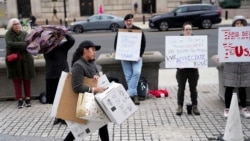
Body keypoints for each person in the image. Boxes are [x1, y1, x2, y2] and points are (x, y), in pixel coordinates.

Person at [64, 40, 109, 141]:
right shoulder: (78, 66)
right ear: (85, 50)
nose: (95, 52)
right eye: (92, 49)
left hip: (93, 101)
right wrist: (95, 89)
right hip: (84, 102)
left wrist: (96, 77)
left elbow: (95, 74)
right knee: (77, 129)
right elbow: (77, 87)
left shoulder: (91, 62)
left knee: (102, 124)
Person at [114, 14, 146, 105]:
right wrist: (120, 54)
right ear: (125, 22)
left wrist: (139, 55)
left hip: (136, 58)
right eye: (127, 21)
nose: (129, 22)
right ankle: (134, 95)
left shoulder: (139, 30)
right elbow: (116, 45)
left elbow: (143, 44)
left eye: (130, 20)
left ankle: (128, 94)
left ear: (133, 21)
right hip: (125, 58)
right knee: (128, 77)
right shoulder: (121, 31)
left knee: (137, 72)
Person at [44, 33, 75, 125]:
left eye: (56, 37)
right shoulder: (45, 47)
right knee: (54, 98)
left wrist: (65, 33)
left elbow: (72, 40)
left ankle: (64, 117)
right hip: (50, 75)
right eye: (52, 37)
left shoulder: (63, 46)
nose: (55, 39)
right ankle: (57, 116)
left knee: (64, 97)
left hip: (62, 75)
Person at [223, 15, 250, 118]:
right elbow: (224, 48)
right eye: (237, 23)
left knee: (243, 87)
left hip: (244, 66)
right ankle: (227, 108)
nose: (239, 25)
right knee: (229, 87)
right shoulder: (228, 36)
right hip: (231, 66)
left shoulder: (248, 36)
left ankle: (244, 108)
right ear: (234, 25)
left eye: (241, 23)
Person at [5, 18, 36, 108]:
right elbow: (10, 44)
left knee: (27, 80)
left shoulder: (25, 33)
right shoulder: (8, 34)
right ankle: (19, 100)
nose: (18, 25)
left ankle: (28, 99)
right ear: (11, 26)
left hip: (26, 60)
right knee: (17, 81)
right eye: (15, 24)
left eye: (18, 23)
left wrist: (19, 45)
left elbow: (29, 44)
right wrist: (23, 44)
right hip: (14, 61)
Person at [176, 22, 200, 116]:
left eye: (190, 29)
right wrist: (178, 65)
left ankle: (195, 106)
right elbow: (174, 55)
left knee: (193, 89)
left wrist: (198, 62)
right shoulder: (178, 41)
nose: (188, 31)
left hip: (193, 69)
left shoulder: (197, 41)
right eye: (186, 29)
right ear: (183, 31)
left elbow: (200, 54)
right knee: (181, 88)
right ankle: (180, 106)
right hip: (182, 70)